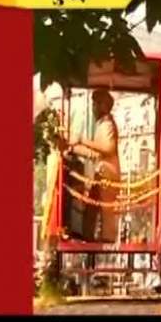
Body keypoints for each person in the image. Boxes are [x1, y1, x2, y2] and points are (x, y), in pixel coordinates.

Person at [58, 89, 121, 243]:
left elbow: (107, 148)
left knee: (105, 210)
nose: (93, 108)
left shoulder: (107, 125)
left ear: (103, 106)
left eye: (95, 104)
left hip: (107, 174)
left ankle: (106, 238)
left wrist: (82, 140)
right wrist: (73, 148)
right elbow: (95, 153)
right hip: (101, 174)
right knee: (91, 208)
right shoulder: (102, 124)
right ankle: (87, 235)